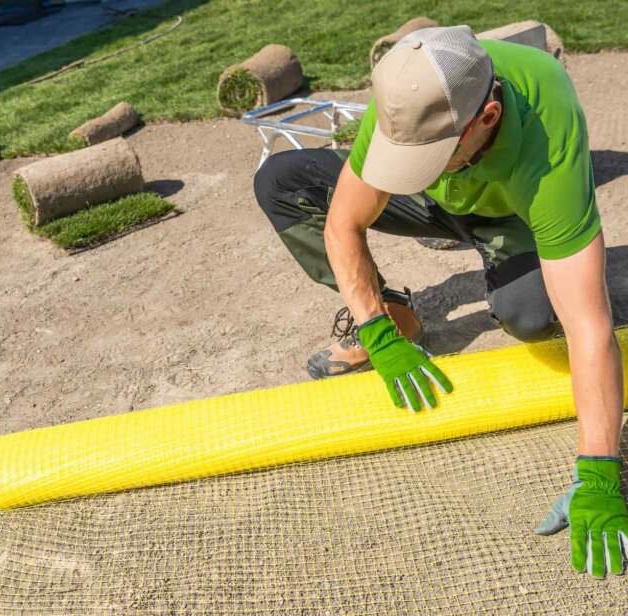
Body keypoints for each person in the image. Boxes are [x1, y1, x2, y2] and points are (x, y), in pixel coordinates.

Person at [253, 25, 626, 578]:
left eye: (427, 155)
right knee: (281, 181)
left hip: (514, 214)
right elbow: (344, 223)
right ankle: (397, 318)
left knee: (529, 318)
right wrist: (375, 329)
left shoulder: (548, 125)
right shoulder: (410, 91)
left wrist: (599, 470)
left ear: (488, 120)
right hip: (439, 201)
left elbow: (589, 329)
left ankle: (583, 259)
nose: (405, 168)